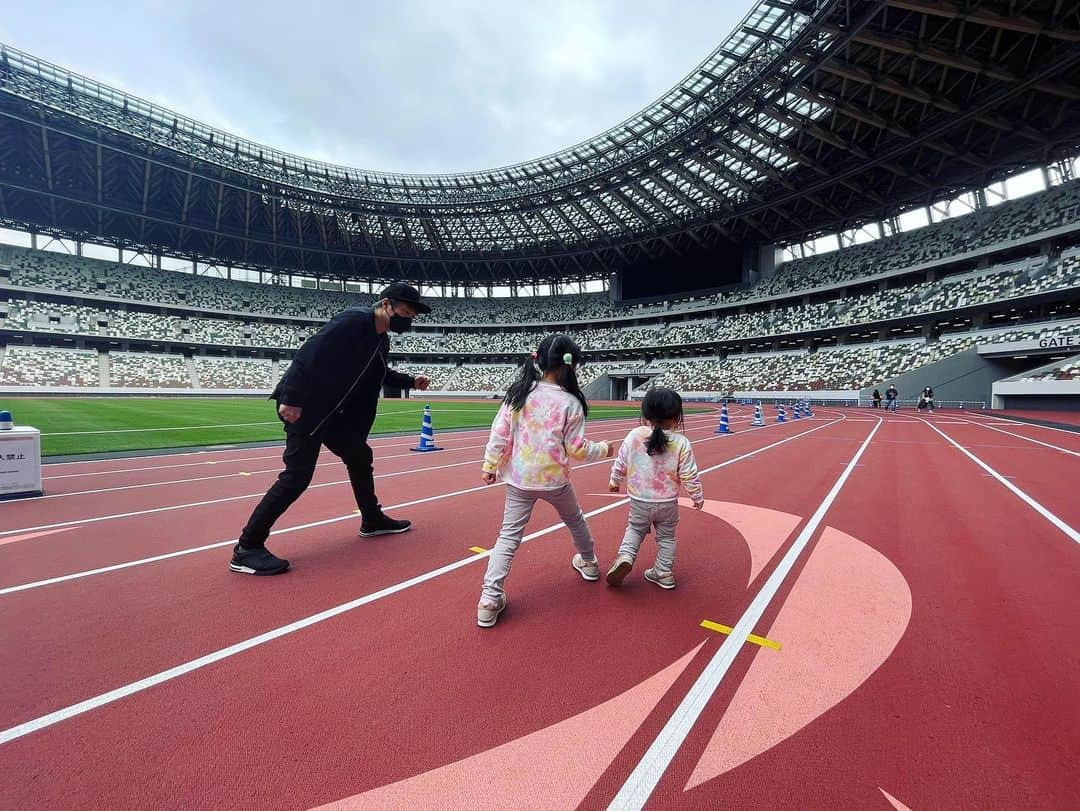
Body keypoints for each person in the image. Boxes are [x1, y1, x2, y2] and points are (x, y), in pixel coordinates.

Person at [228, 282, 432, 576]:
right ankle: (247, 547)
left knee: (360, 457)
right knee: (296, 477)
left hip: (333, 415)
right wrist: (291, 398)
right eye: (406, 312)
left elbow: (379, 373)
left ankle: (371, 520)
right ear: (387, 305)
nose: (409, 319)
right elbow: (309, 353)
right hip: (305, 410)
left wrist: (411, 382)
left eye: (412, 315)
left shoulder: (380, 340)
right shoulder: (353, 321)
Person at [476, 333, 613, 627]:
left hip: (519, 479)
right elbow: (577, 449)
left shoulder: (520, 392)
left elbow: (499, 432)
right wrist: (603, 449)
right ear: (572, 365)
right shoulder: (571, 403)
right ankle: (588, 562)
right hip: (555, 480)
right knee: (575, 519)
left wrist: (490, 464)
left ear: (538, 360)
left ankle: (489, 598)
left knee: (508, 536)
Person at [606, 388, 703, 590]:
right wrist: (697, 496)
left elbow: (621, 461)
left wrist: (614, 481)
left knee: (634, 529)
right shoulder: (681, 442)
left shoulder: (635, 435)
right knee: (667, 537)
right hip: (667, 503)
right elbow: (689, 473)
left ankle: (626, 556)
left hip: (640, 500)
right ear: (677, 417)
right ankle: (663, 573)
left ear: (645, 415)